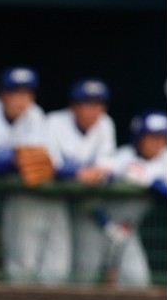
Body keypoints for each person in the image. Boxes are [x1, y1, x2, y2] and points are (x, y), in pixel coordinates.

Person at [0, 66, 66, 284]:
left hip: (16, 193)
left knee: (22, 255)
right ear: (3, 94)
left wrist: (6, 157)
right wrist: (11, 157)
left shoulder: (35, 115)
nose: (22, 100)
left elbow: (37, 159)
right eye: (16, 93)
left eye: (27, 93)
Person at [76, 109, 167, 286]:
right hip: (95, 224)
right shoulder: (121, 156)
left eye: (163, 137)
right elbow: (92, 187)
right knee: (82, 280)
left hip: (127, 230)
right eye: (152, 137)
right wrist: (114, 176)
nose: (158, 143)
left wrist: (153, 182)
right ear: (139, 137)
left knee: (137, 281)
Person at [46, 79, 118, 281]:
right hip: (52, 198)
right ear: (75, 106)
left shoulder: (105, 123)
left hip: (85, 202)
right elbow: (50, 164)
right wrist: (78, 172)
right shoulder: (54, 122)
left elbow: (108, 165)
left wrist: (98, 173)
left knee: (80, 263)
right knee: (50, 263)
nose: (95, 110)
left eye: (99, 104)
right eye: (88, 104)